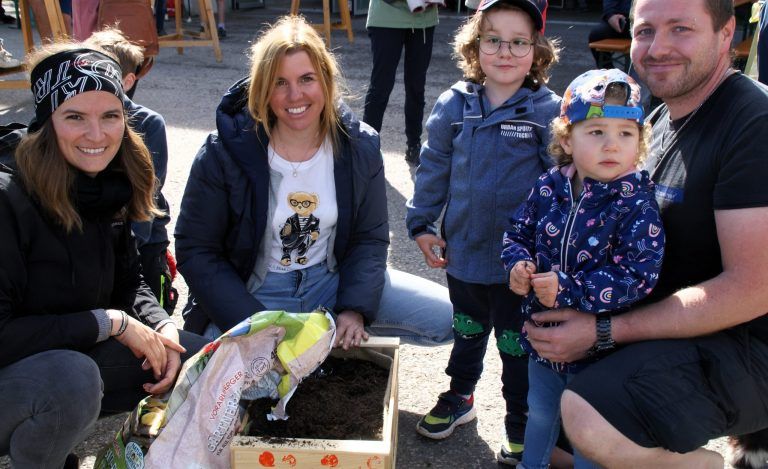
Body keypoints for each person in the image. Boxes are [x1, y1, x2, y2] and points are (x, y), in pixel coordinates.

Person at [522, 0, 768, 467]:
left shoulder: (753, 124)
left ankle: (702, 464)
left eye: (681, 28)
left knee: (590, 417)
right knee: (553, 444)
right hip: (673, 328)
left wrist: (604, 332)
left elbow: (754, 290)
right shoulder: (652, 123)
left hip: (746, 344)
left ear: (726, 33)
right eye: (645, 30)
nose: (659, 48)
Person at [174, 16, 453, 350]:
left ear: (325, 79)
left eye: (307, 78)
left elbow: (370, 238)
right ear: (262, 87)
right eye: (280, 82)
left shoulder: (360, 146)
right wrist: (254, 323)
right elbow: (197, 250)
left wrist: (354, 307)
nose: (295, 95)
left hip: (329, 281)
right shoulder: (223, 151)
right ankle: (306, 349)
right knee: (226, 379)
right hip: (256, 290)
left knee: (449, 320)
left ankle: (320, 344)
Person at [0, 44, 207, 469]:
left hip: (67, 350)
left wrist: (160, 324)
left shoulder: (109, 181)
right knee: (71, 382)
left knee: (202, 364)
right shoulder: (8, 198)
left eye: (110, 116)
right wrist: (109, 323)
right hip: (22, 371)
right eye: (75, 116)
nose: (97, 135)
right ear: (47, 120)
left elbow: (130, 282)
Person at [405, 0, 560, 464]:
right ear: (475, 46)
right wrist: (421, 223)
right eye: (493, 40)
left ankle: (520, 419)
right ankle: (461, 396)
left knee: (518, 346)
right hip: (465, 255)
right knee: (467, 330)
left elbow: (562, 184)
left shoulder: (547, 109)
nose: (506, 52)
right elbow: (433, 167)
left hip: (521, 266)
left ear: (537, 51)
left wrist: (553, 252)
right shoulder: (455, 104)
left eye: (519, 42)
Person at [501, 68, 664, 469]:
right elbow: (518, 230)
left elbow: (638, 277)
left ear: (639, 142)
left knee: (588, 432)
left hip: (600, 353)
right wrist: (517, 264)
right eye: (596, 132)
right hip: (543, 341)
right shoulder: (549, 185)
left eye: (626, 134)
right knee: (539, 412)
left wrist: (568, 289)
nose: (612, 145)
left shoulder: (635, 204)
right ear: (566, 139)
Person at [86, 28, 176, 313]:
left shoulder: (148, 124)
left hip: (140, 243)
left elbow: (146, 200)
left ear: (127, 81)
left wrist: (126, 258)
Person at [362, 0, 438, 165]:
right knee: (381, 86)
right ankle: (366, 149)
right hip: (386, 15)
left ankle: (414, 145)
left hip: (423, 18)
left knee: (416, 86)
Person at [587, 0, 631, 68]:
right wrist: (610, 15)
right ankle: (610, 73)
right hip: (622, 19)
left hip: (646, 18)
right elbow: (609, 4)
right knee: (596, 35)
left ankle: (641, 74)